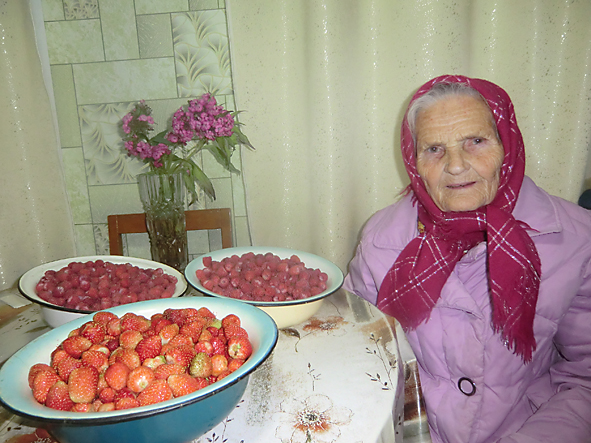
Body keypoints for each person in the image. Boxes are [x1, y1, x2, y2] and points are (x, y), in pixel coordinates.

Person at [344, 74, 591, 443]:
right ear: (414, 161)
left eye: (475, 141)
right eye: (434, 149)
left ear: (507, 143)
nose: (456, 165)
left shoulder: (575, 238)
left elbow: (585, 378)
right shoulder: (381, 239)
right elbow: (355, 349)